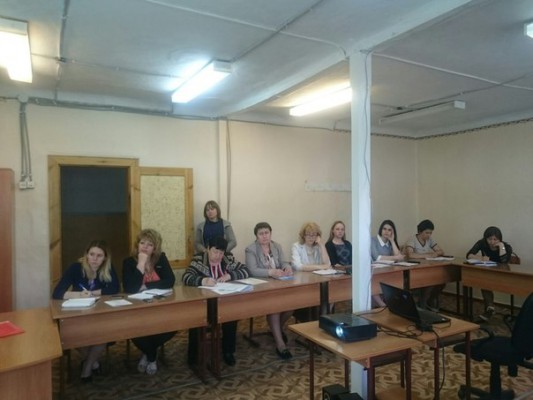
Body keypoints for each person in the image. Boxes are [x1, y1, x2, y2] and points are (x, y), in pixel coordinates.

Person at [52, 240, 120, 382]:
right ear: (86, 255)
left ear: (105, 258)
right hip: (79, 314)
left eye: (99, 256)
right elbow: (57, 293)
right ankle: (93, 363)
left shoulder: (107, 268)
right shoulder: (76, 268)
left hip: (100, 314)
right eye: (91, 254)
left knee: (104, 333)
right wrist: (78, 294)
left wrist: (93, 293)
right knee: (71, 335)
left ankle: (87, 367)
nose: (94, 259)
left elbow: (114, 288)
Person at [183, 236, 250, 367]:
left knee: (231, 317)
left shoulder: (227, 258)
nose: (218, 256)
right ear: (208, 249)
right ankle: (193, 355)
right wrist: (203, 281)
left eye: (221, 253)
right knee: (196, 318)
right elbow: (186, 277)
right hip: (205, 304)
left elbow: (246, 270)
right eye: (215, 252)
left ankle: (228, 352)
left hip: (224, 302)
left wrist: (230, 275)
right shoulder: (199, 259)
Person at [123, 229, 176, 375]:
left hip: (160, 307)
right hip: (138, 309)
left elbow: (170, 281)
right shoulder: (128, 262)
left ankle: (147, 353)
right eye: (142, 243)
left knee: (174, 325)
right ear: (137, 245)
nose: (145, 247)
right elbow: (130, 288)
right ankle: (152, 356)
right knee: (134, 329)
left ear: (155, 248)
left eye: (150, 244)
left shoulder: (161, 259)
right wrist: (141, 263)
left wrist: (146, 285)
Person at [245, 222, 293, 360]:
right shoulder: (250, 249)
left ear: (270, 233)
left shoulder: (277, 246)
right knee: (275, 308)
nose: (264, 236)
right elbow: (252, 270)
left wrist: (287, 267)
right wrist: (271, 272)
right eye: (261, 234)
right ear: (256, 236)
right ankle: (280, 345)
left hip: (280, 284)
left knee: (292, 306)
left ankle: (275, 329)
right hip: (261, 287)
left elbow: (284, 262)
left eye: (267, 233)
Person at [466, 226, 513, 321]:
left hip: (502, 274)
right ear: (485, 238)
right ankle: (490, 308)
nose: (492, 242)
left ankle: (490, 309)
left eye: (495, 239)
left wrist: (501, 246)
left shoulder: (506, 247)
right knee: (484, 282)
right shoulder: (482, 243)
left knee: (486, 282)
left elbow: (504, 261)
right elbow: (469, 255)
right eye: (490, 239)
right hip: (488, 272)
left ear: (500, 239)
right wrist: (481, 258)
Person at [404, 219, 445, 311]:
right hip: (413, 269)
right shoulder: (412, 239)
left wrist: (435, 253)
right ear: (420, 231)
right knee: (429, 281)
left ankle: (429, 301)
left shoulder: (429, 240)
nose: (429, 235)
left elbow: (441, 251)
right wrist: (428, 255)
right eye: (426, 233)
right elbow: (411, 255)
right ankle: (423, 304)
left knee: (441, 280)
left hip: (426, 268)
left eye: (430, 233)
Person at [371, 220, 404, 307]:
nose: (386, 231)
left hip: (386, 271)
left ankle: (391, 303)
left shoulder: (389, 242)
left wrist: (392, 241)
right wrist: (396, 258)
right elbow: (377, 258)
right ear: (381, 230)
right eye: (384, 229)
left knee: (398, 279)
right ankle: (383, 305)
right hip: (374, 272)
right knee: (375, 283)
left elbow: (399, 259)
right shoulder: (373, 240)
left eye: (389, 230)